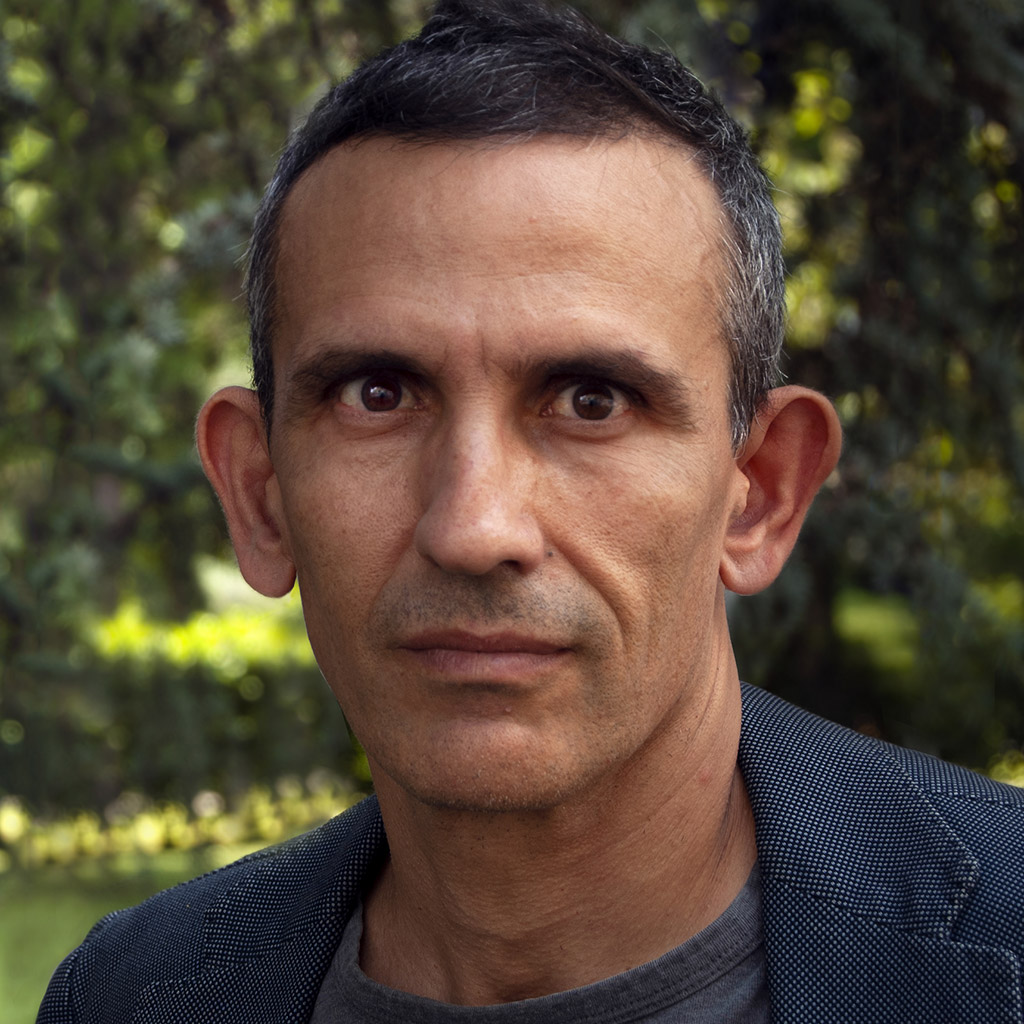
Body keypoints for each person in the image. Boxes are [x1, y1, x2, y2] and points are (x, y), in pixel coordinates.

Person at [39, 1, 1024, 1022]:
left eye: (591, 401)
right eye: (378, 394)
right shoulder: (127, 996)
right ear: (259, 493)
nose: (474, 528)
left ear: (760, 494)